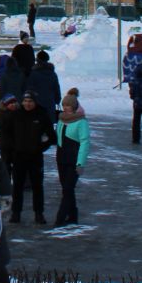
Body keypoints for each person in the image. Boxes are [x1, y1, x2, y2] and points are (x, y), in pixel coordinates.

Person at [4, 91, 52, 223]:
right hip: (19, 156)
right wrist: (13, 150)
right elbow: (7, 134)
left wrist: (41, 147)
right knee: (17, 186)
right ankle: (16, 213)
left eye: (30, 101)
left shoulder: (41, 115)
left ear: (35, 102)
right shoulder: (16, 115)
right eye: (25, 101)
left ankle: (38, 213)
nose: (27, 104)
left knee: (37, 186)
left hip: (35, 157)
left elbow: (51, 136)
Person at [54, 95, 89, 225]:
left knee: (68, 188)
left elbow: (85, 142)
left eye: (68, 105)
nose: (66, 108)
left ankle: (60, 219)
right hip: (61, 159)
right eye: (64, 105)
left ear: (74, 106)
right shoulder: (62, 119)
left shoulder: (81, 121)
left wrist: (80, 163)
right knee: (67, 189)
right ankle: (73, 216)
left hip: (74, 160)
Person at [27, 51, 62, 121]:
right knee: (49, 125)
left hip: (36, 104)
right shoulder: (52, 74)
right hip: (50, 103)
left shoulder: (33, 73)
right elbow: (56, 88)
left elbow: (29, 89)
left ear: (37, 60)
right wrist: (57, 100)